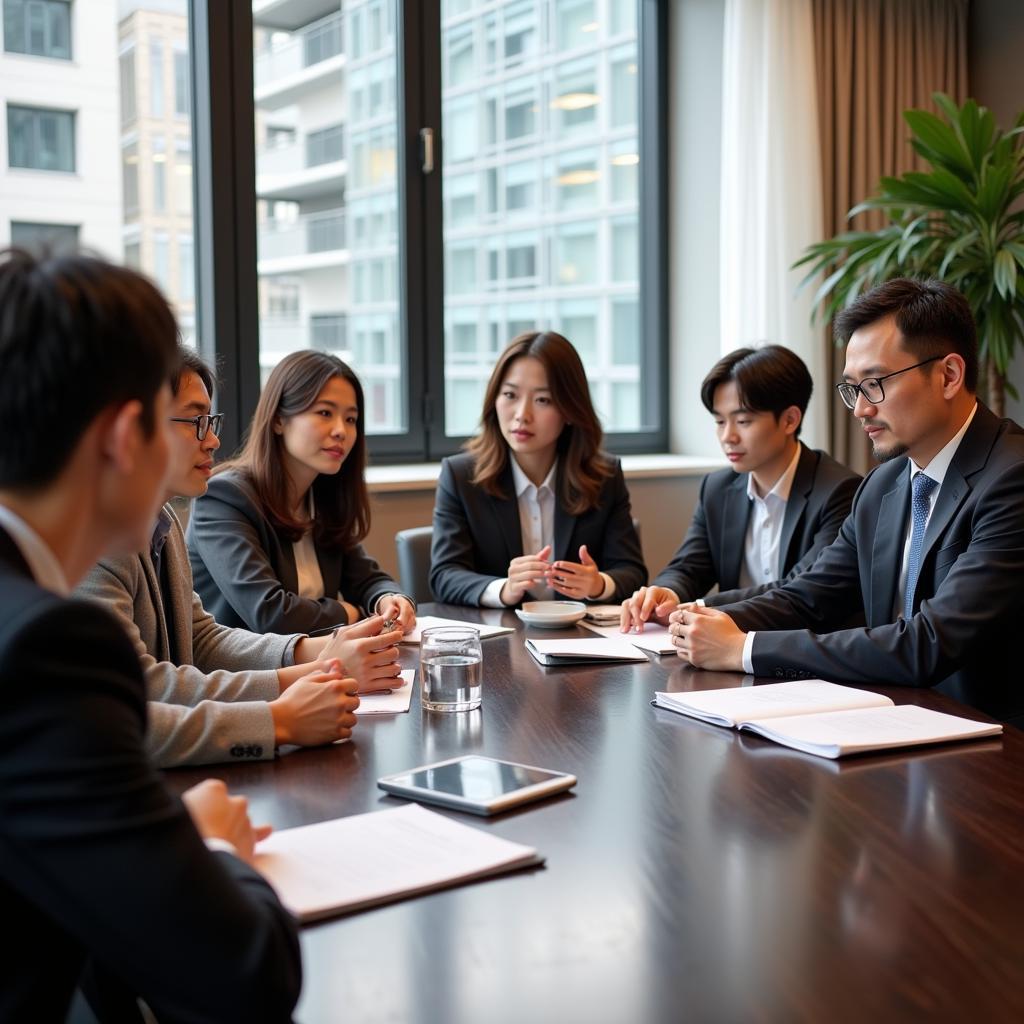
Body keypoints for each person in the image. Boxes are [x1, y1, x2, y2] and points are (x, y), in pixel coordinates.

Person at [0, 247, 301, 1021]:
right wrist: (210, 848)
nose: (204, 441)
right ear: (125, 432)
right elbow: (243, 972)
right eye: (186, 420)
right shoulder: (44, 650)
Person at [670, 278, 1024, 727]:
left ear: (949, 375)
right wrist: (696, 618)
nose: (859, 409)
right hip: (893, 723)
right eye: (852, 389)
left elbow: (928, 643)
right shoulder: (883, 485)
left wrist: (744, 649)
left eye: (874, 384)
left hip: (994, 747)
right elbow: (809, 597)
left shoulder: (1011, 477)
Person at [77, 347, 402, 768]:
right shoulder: (92, 535)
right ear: (133, 426)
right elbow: (140, 690)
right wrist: (286, 707)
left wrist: (320, 652)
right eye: (196, 421)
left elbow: (202, 638)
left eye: (210, 422)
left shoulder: (162, 521)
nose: (212, 439)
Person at [621, 345, 860, 631]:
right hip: (728, 650)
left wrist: (701, 608)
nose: (727, 436)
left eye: (743, 421)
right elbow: (688, 567)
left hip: (805, 651)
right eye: (720, 421)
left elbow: (801, 589)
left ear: (790, 420)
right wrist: (665, 593)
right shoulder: (717, 488)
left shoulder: (840, 491)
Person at [187, 350, 415, 636]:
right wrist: (351, 611)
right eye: (324, 413)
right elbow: (272, 615)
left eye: (351, 419)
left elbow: (367, 579)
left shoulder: (322, 495)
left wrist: (389, 600)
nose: (341, 431)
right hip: (247, 675)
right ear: (279, 420)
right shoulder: (224, 498)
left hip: (316, 666)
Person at [430, 330, 647, 606]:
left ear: (570, 409)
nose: (522, 414)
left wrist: (598, 584)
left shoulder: (604, 475)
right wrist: (504, 588)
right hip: (498, 641)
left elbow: (632, 572)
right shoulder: (460, 476)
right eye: (510, 394)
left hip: (577, 640)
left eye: (542, 400)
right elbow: (444, 575)